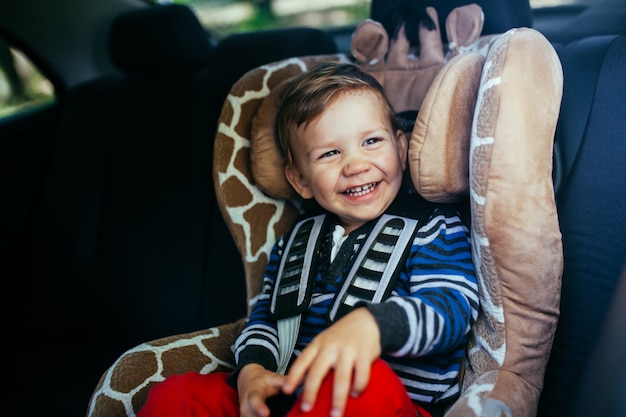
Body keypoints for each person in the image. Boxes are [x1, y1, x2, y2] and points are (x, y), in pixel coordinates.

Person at [137, 62, 478, 417]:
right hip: (288, 395)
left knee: (359, 391)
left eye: (371, 141)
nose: (355, 164)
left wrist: (376, 325)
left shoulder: (431, 226)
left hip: (384, 398)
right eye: (330, 153)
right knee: (175, 396)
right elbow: (267, 319)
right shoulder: (295, 241)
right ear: (299, 179)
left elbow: (451, 308)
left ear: (401, 147)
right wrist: (252, 370)